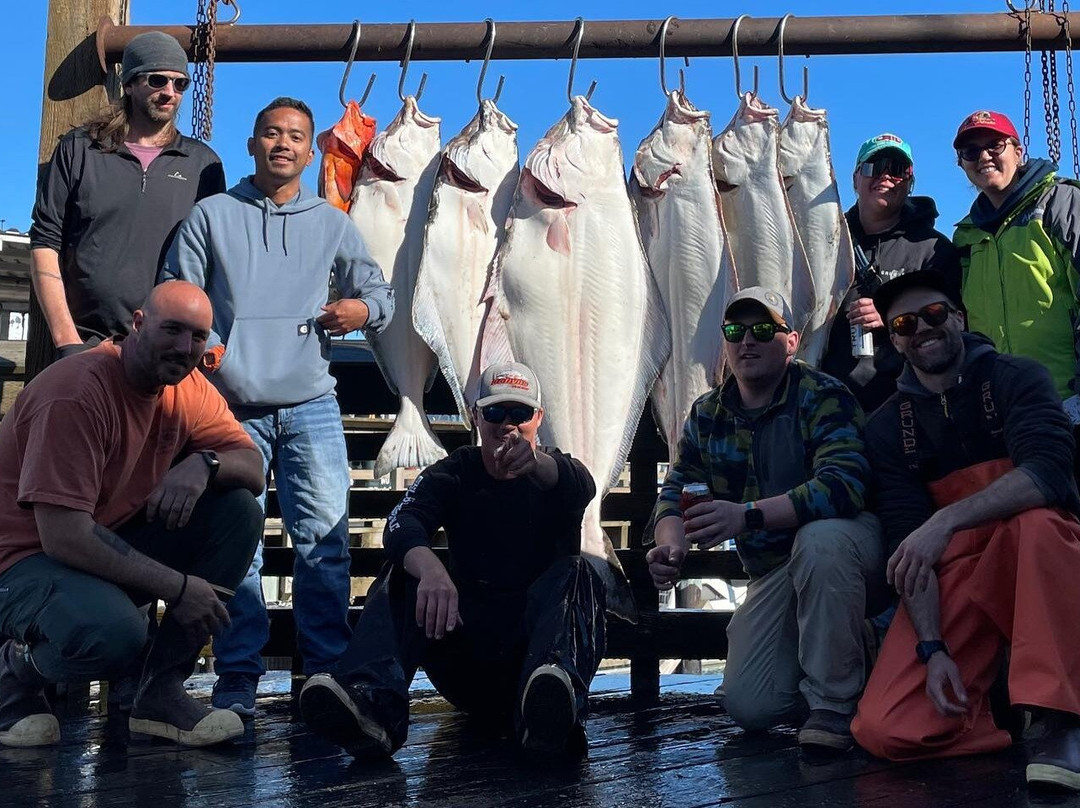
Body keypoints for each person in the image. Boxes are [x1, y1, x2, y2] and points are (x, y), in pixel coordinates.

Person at [161, 96, 394, 718]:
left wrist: (361, 309)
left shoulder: (334, 224)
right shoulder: (212, 215)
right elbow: (176, 292)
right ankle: (238, 676)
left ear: (310, 152)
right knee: (240, 549)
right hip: (229, 410)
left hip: (312, 405)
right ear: (252, 144)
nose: (282, 144)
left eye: (294, 136)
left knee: (325, 544)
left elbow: (381, 294)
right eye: (271, 133)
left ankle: (325, 675)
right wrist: (212, 349)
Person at [0, 282, 265, 749]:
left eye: (198, 336)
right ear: (138, 324)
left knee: (238, 511)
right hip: (22, 557)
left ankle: (158, 692)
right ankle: (12, 672)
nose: (184, 347)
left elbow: (253, 467)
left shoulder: (189, 389)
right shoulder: (77, 392)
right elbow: (63, 535)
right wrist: (178, 587)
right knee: (113, 635)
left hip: (93, 541)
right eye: (172, 330)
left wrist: (205, 464)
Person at [298, 362, 605, 759]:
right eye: (495, 412)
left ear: (538, 419)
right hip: (467, 655)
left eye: (520, 413)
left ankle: (551, 708)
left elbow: (581, 485)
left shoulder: (560, 473)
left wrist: (536, 464)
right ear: (476, 416)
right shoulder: (456, 471)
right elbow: (402, 521)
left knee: (579, 572)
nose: (507, 425)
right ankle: (371, 703)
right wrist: (430, 569)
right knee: (403, 573)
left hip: (534, 662)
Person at [850, 271, 1080, 791]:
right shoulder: (885, 427)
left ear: (959, 318)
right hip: (959, 578)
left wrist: (947, 518)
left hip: (1037, 562)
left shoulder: (1019, 377)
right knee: (885, 730)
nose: (921, 329)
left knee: (1039, 527)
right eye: (904, 324)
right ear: (895, 341)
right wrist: (932, 650)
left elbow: (1048, 473)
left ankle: (1062, 720)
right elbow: (910, 548)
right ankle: (994, 710)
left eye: (933, 314)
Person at [647, 287, 882, 753]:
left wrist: (748, 517)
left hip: (849, 552)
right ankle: (863, 654)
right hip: (776, 574)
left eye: (762, 329)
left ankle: (834, 705)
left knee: (820, 541)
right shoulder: (708, 413)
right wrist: (670, 546)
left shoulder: (823, 395)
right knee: (750, 706)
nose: (747, 341)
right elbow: (675, 490)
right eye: (735, 330)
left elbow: (843, 485)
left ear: (791, 341)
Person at [29, 32, 225, 362]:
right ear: (130, 83)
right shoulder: (80, 149)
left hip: (168, 351)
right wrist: (67, 341)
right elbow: (45, 242)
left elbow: (214, 261)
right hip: (87, 345)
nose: (169, 92)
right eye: (158, 80)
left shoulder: (203, 164)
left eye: (180, 84)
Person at [820, 133, 960, 414]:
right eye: (874, 167)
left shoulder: (934, 249)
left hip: (912, 407)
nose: (885, 176)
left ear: (909, 183)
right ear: (855, 179)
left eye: (897, 169)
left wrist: (894, 318)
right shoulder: (825, 243)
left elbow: (955, 326)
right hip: (832, 408)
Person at [952, 110, 1080, 412]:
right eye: (971, 151)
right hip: (1003, 408)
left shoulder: (1061, 203)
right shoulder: (967, 236)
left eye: (995, 145)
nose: (984, 156)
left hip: (1065, 401)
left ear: (1018, 152)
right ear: (962, 164)